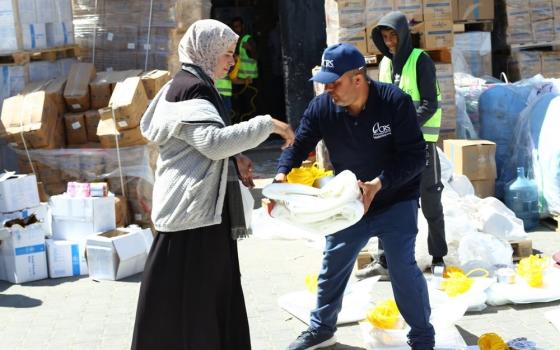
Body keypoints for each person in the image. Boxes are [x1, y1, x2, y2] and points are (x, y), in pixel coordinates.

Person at [131, 19, 294, 350]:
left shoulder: (191, 82)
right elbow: (212, 142)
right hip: (193, 214)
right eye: (227, 53)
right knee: (194, 300)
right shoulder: (192, 88)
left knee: (200, 298)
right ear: (205, 52)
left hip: (200, 211)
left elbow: (204, 145)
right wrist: (267, 124)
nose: (232, 61)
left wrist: (235, 160)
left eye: (233, 54)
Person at [275, 43, 435, 350]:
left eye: (334, 82)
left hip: (395, 197)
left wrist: (379, 183)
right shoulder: (323, 107)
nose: (328, 89)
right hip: (350, 200)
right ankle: (321, 329)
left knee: (401, 266)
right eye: (324, 82)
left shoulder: (394, 102)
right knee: (334, 260)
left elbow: (416, 157)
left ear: (358, 79)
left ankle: (422, 337)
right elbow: (299, 144)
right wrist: (281, 175)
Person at [357, 11, 447, 281]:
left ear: (404, 34)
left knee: (430, 200)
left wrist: (404, 126)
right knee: (386, 199)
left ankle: (438, 257)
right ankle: (385, 261)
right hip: (393, 148)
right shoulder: (385, 64)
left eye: (393, 36)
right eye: (385, 38)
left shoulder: (421, 61)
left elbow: (430, 103)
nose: (390, 42)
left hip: (421, 146)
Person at [231, 16, 259, 122]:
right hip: (239, 81)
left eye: (237, 26)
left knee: (251, 108)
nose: (235, 29)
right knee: (241, 108)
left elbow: (257, 56)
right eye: (234, 27)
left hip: (250, 81)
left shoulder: (247, 39)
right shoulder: (235, 41)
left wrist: (251, 49)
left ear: (242, 26)